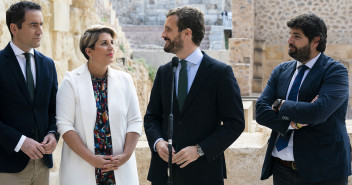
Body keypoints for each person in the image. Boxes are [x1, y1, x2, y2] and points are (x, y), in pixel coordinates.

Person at [144, 6, 245, 185]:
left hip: (204, 174)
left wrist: (200, 150)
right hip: (163, 175)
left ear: (187, 33)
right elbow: (151, 117)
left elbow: (235, 123)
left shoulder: (220, 73)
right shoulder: (163, 72)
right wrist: (158, 142)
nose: (162, 34)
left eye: (168, 29)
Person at [256, 13, 351, 185]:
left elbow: (317, 112)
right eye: (290, 34)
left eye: (296, 36)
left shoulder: (335, 72)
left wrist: (279, 105)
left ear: (315, 41)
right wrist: (291, 123)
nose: (289, 40)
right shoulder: (281, 71)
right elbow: (261, 111)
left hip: (324, 171)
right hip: (281, 169)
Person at [56, 25, 142, 185]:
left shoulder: (125, 80)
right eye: (104, 43)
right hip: (82, 167)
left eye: (112, 42)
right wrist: (91, 159)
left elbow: (135, 121)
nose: (111, 47)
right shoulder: (71, 81)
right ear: (89, 51)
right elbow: (64, 125)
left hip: (119, 168)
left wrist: (126, 156)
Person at [0, 1, 59, 185]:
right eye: (33, 25)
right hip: (8, 165)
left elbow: (54, 109)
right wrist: (20, 142)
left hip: (43, 164)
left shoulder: (48, 64)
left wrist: (53, 132)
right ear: (14, 28)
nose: (40, 31)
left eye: (41, 24)